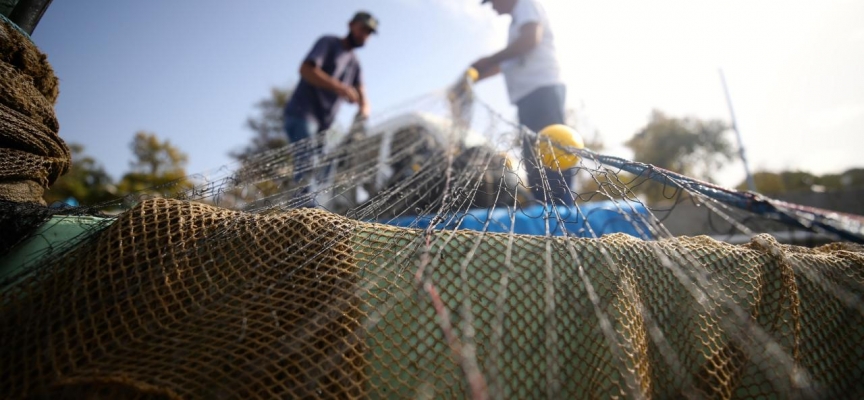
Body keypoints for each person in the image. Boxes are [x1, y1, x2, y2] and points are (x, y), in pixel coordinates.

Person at [470, 0, 574, 206]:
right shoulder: (515, 23)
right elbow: (506, 64)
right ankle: (544, 210)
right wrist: (476, 76)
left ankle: (562, 214)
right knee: (533, 158)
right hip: (527, 99)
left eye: (491, 2)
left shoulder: (526, 5)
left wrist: (489, 59)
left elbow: (529, 40)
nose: (492, 7)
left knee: (551, 155)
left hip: (542, 92)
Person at [284, 11, 378, 205]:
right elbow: (306, 70)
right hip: (303, 114)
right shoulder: (329, 43)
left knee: (327, 165)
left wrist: (363, 115)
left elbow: (363, 97)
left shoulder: (355, 65)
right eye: (362, 29)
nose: (364, 35)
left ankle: (314, 207)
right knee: (307, 163)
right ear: (351, 25)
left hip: (323, 126)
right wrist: (341, 87)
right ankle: (302, 212)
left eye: (369, 33)